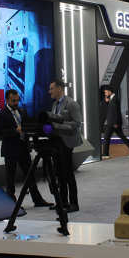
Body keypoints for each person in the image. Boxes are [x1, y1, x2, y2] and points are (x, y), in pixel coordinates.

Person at [0, 89, 54, 207]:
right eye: (13, 101)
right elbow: (0, 132)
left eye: (17, 100)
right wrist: (15, 130)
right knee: (10, 177)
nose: (16, 103)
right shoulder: (2, 114)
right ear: (7, 100)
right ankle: (11, 202)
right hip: (10, 149)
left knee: (30, 174)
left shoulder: (23, 112)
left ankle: (37, 199)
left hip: (23, 147)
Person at [49, 79, 83, 213]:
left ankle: (74, 203)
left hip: (66, 142)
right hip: (56, 142)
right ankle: (62, 201)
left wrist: (61, 124)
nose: (49, 91)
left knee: (68, 173)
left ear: (59, 89)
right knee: (59, 174)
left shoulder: (71, 103)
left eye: (51, 89)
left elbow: (77, 123)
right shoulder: (54, 104)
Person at [101, 86, 129, 159]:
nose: (105, 94)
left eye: (106, 92)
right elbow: (109, 110)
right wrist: (106, 102)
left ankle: (106, 153)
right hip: (113, 122)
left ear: (109, 91)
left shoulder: (115, 99)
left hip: (113, 123)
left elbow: (117, 112)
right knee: (121, 136)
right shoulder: (112, 99)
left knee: (106, 136)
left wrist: (116, 122)